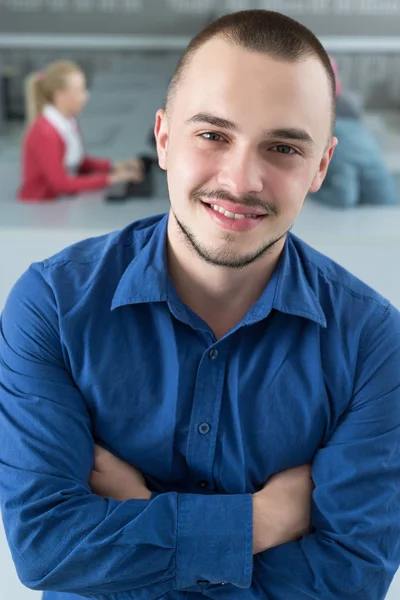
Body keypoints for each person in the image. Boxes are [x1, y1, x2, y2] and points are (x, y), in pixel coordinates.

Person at [1, 9, 400, 600]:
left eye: (283, 147)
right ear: (163, 138)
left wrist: (139, 517)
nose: (241, 181)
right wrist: (262, 523)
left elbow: (349, 579)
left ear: (321, 166)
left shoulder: (373, 342)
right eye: (213, 135)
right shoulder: (53, 305)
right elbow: (46, 547)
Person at [18, 60, 143, 201]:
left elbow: (76, 162)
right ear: (61, 96)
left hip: (59, 204)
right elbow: (60, 184)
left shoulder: (67, 122)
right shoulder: (46, 132)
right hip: (41, 207)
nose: (86, 96)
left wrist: (113, 166)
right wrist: (109, 179)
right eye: (80, 91)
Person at [310, 56, 398, 207]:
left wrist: (310, 193)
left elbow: (344, 197)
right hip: (387, 210)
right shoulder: (352, 119)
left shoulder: (336, 139)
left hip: (371, 219)